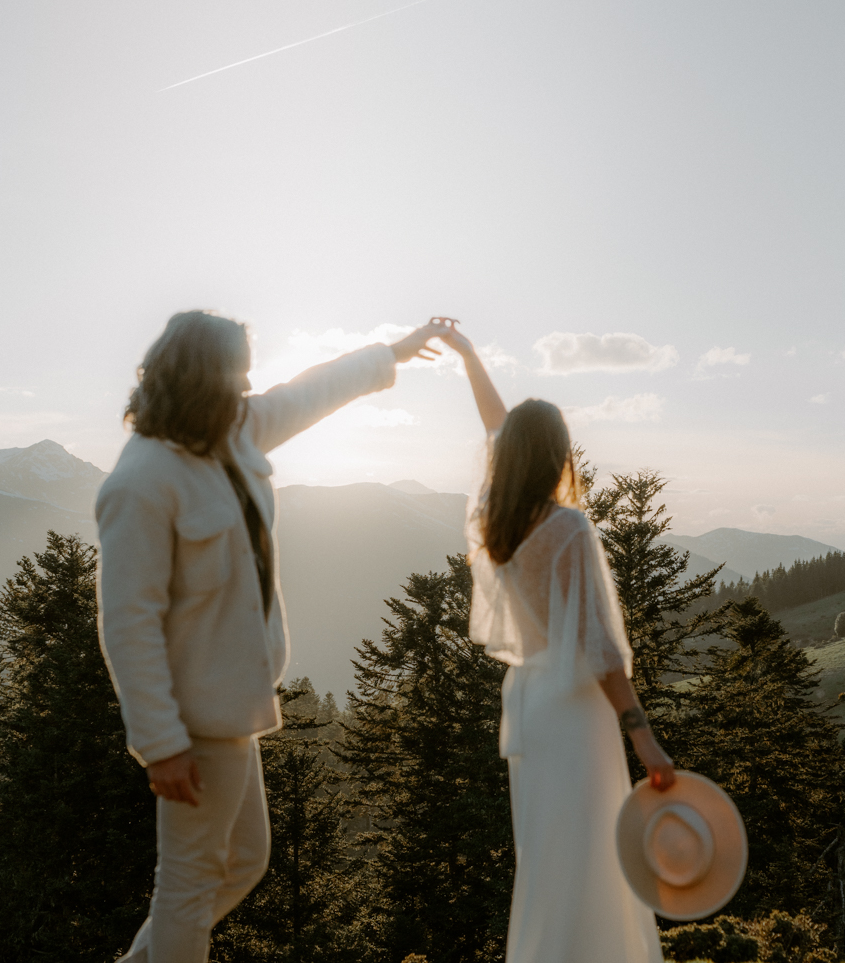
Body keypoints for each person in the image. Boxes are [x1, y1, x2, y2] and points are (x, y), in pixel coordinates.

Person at [96, 309, 443, 963]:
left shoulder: (233, 432)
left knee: (244, 861)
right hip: (194, 718)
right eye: (237, 373)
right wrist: (161, 743)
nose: (249, 384)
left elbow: (310, 391)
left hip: (234, 707)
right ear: (202, 377)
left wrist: (393, 351)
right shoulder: (140, 481)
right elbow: (127, 623)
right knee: (189, 885)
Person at [432, 318, 675, 963]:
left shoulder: (495, 520)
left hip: (530, 702)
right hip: (575, 711)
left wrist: (468, 356)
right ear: (559, 452)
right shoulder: (568, 529)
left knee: (545, 860)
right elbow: (600, 646)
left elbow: (494, 428)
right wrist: (643, 736)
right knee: (594, 858)